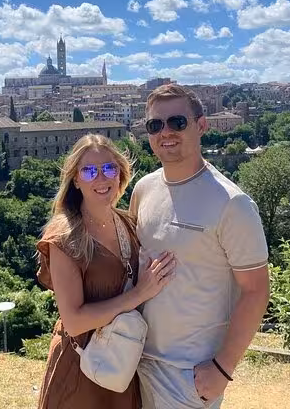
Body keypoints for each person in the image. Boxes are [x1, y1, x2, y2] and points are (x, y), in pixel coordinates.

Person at [130, 84, 270, 409]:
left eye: (177, 122)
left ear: (201, 125)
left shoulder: (232, 203)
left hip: (187, 375)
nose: (166, 132)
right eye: (155, 125)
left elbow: (256, 291)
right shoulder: (143, 189)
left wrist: (222, 369)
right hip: (132, 361)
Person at [35, 133, 177, 409]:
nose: (101, 178)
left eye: (109, 168)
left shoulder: (128, 223)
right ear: (76, 180)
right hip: (82, 369)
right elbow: (74, 321)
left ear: (120, 174)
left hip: (121, 364)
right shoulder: (65, 237)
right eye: (89, 171)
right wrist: (138, 294)